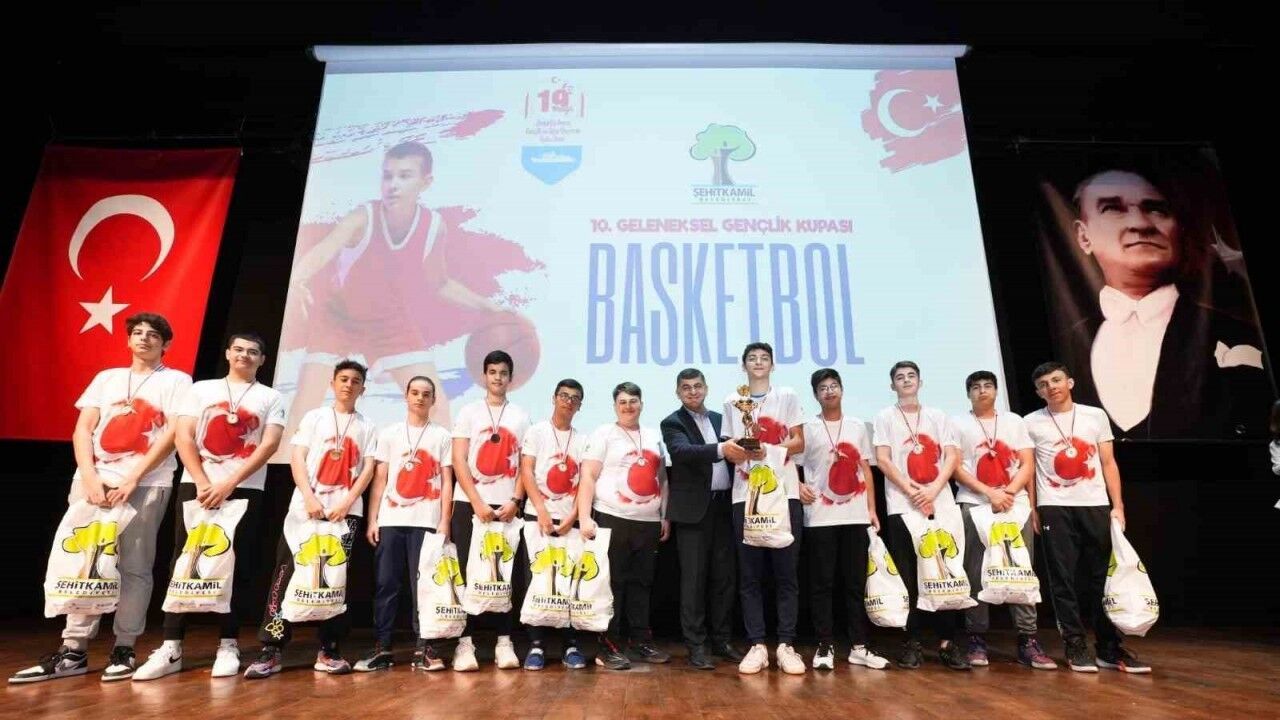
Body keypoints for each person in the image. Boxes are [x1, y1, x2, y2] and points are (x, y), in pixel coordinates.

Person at [280, 140, 505, 449]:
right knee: (305, 406)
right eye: (388, 176)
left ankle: (437, 470)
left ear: (426, 182)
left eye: (404, 176)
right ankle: (287, 467)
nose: (393, 184)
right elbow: (325, 248)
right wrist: (298, 278)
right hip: (339, 318)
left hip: (389, 321)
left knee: (439, 407)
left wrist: (487, 306)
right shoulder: (363, 216)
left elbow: (440, 283)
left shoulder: (433, 225)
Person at [10, 313, 191, 684]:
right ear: (128, 340)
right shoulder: (106, 378)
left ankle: (124, 648)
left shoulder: (177, 381)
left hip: (147, 482)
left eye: (153, 335)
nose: (144, 338)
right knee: (85, 560)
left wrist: (134, 477)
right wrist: (90, 477)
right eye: (137, 333)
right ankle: (73, 649)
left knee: (135, 566)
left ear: (166, 344)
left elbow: (173, 433)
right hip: (93, 481)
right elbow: (83, 429)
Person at [1059, 168, 1270, 438]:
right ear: (1083, 236)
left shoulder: (1237, 334)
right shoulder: (1066, 344)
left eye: (1156, 209)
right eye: (1112, 208)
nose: (1141, 223)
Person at [132, 332, 286, 681]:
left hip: (245, 487)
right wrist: (202, 481)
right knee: (183, 559)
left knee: (236, 563)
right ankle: (171, 645)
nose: (244, 355)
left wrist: (229, 483)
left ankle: (228, 644)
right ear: (228, 353)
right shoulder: (201, 389)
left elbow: (269, 444)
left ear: (262, 360)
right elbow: (183, 435)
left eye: (253, 352)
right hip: (196, 486)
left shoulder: (271, 396)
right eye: (238, 349)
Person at [244, 360, 378, 678]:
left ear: (363, 389)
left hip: (345, 513)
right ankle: (272, 648)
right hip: (305, 510)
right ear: (332, 383)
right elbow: (297, 458)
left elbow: (368, 469)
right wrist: (308, 497)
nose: (348, 385)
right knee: (286, 572)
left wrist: (346, 502)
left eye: (355, 381)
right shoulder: (314, 417)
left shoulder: (368, 425)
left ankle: (329, 648)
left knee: (335, 577)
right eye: (343, 379)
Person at [1025, 361, 1150, 673]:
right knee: (1062, 579)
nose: (1051, 387)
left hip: (1095, 505)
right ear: (1038, 392)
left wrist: (1117, 505)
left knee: (1102, 577)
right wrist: (1033, 508)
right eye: (1043, 384)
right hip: (1054, 506)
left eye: (1056, 380)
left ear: (1070, 382)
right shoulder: (1030, 422)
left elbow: (1108, 463)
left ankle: (1109, 648)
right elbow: (1030, 472)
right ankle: (1074, 644)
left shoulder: (1095, 416)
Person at [949, 370, 1056, 671]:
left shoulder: (1014, 421)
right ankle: (976, 638)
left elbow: (1027, 463)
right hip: (974, 503)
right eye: (975, 387)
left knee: (1021, 570)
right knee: (975, 571)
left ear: (996, 391)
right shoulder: (957, 423)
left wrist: (1008, 492)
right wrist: (989, 493)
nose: (982, 390)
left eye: (988, 386)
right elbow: (955, 467)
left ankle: (1027, 639)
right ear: (968, 393)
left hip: (1014, 505)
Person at [872, 360, 969, 671]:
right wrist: (911, 490)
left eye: (911, 376)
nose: (906, 380)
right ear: (892, 385)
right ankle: (911, 642)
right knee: (908, 574)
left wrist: (934, 489)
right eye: (899, 377)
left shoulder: (938, 416)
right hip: (902, 504)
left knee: (945, 571)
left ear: (920, 382)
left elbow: (951, 456)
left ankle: (948, 642)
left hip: (940, 503)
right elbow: (883, 459)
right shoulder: (884, 417)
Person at [355, 376, 453, 672]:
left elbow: (447, 482)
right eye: (415, 393)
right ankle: (383, 647)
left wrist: (445, 520)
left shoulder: (442, 435)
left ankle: (425, 647)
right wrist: (373, 519)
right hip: (391, 520)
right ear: (406, 396)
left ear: (433, 400)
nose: (420, 398)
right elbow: (380, 479)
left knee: (424, 587)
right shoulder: (390, 433)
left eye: (426, 394)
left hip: (427, 521)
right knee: (386, 584)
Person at [721, 342, 807, 675]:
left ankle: (786, 644)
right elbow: (729, 448)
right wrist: (745, 452)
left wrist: (767, 450)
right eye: (752, 358)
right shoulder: (733, 400)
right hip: (746, 496)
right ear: (743, 365)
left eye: (764, 358)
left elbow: (799, 442)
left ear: (772, 364)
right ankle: (757, 644)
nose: (758, 362)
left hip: (784, 493)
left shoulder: (787, 396)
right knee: (750, 575)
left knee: (786, 573)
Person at [577, 382, 671, 670]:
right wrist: (584, 517)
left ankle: (640, 642)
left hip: (648, 523)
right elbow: (588, 476)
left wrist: (664, 516)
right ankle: (608, 647)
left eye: (633, 401)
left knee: (642, 584)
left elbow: (662, 479)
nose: (628, 406)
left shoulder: (653, 436)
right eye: (622, 402)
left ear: (642, 404)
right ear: (615, 406)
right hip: (612, 518)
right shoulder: (604, 433)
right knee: (613, 585)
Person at [799, 368, 888, 671]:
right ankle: (824, 645)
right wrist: (798, 487)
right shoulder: (808, 428)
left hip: (855, 514)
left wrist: (872, 509)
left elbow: (866, 469)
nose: (829, 391)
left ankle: (860, 646)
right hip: (819, 517)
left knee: (855, 583)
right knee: (821, 584)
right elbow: (790, 464)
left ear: (842, 390)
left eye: (834, 385)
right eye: (823, 388)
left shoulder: (857, 426)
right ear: (816, 395)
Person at [448, 350, 531, 671]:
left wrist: (516, 500)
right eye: (493, 372)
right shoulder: (468, 411)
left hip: (507, 505)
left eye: (503, 373)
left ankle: (504, 641)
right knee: (466, 573)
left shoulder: (521, 416)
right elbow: (459, 459)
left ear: (511, 377)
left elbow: (525, 464)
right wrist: (477, 502)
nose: (498, 378)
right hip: (470, 504)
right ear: (484, 376)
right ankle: (465, 643)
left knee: (504, 575)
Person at [660, 368, 746, 670]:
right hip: (693, 512)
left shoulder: (723, 420)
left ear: (706, 388)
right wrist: (723, 449)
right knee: (693, 582)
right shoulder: (672, 422)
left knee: (725, 579)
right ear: (678, 392)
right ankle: (696, 645)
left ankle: (722, 640)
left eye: (697, 386)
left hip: (725, 508)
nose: (693, 391)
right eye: (686, 387)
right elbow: (682, 452)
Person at [519, 379, 588, 671]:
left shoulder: (583, 440)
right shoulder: (536, 432)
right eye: (563, 396)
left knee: (570, 582)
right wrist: (540, 510)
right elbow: (526, 471)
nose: (568, 402)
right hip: (538, 517)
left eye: (574, 398)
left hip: (570, 520)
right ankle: (536, 645)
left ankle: (570, 645)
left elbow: (585, 482)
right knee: (538, 581)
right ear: (554, 398)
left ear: (580, 405)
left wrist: (573, 517)